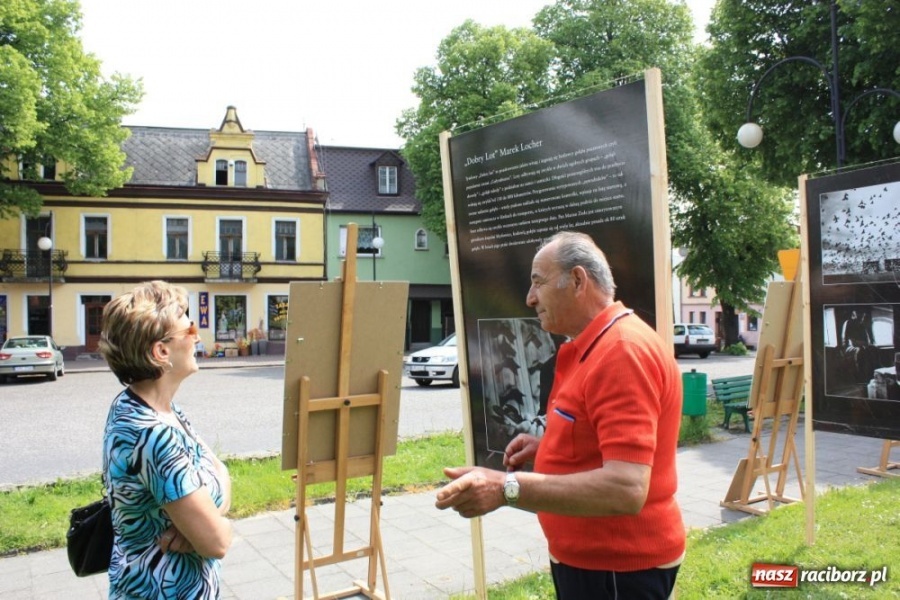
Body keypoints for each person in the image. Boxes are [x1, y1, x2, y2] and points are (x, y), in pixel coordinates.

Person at [435, 231, 684, 599]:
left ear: (579, 280)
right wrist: (548, 446)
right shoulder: (598, 344)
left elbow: (626, 488)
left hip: (616, 569)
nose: (529, 297)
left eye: (538, 282)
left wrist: (506, 489)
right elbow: (599, 438)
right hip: (596, 563)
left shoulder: (621, 353)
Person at [99, 281, 232, 599]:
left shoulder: (152, 409)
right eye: (189, 329)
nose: (197, 335)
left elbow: (222, 471)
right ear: (161, 352)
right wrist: (208, 526)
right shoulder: (154, 433)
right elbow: (218, 543)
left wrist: (200, 523)